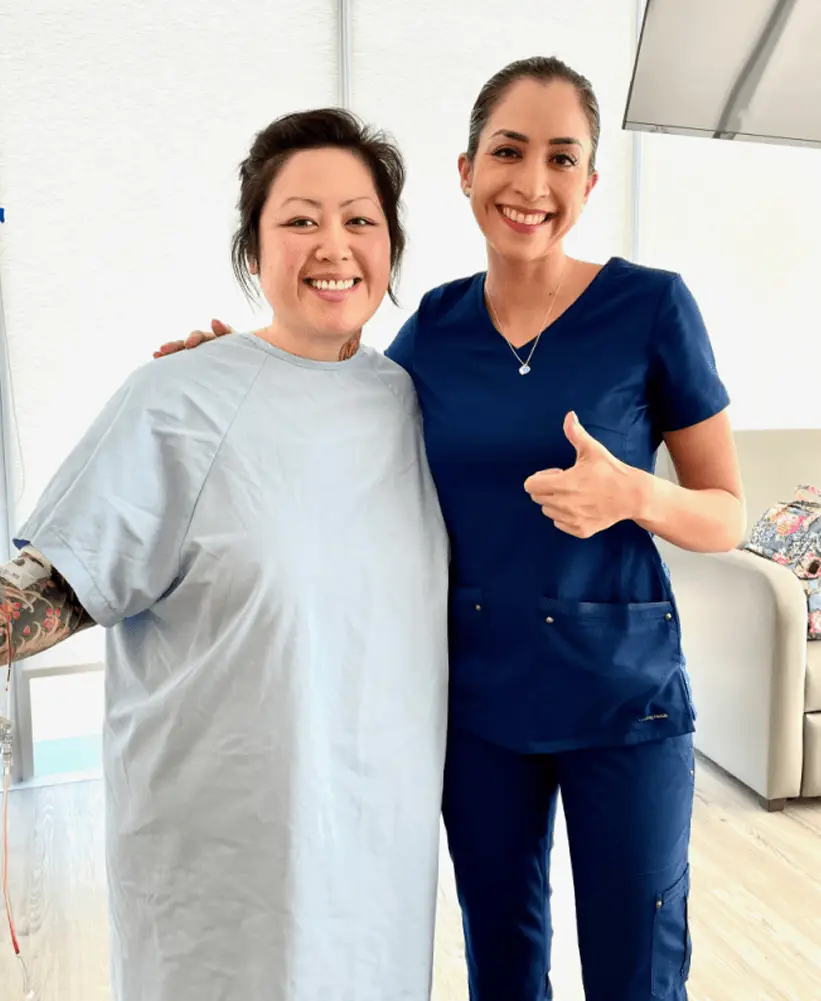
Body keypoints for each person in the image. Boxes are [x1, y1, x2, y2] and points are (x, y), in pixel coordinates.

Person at [158, 57, 745, 1001]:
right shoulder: (432, 327)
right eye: (508, 152)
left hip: (622, 705)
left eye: (563, 159)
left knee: (636, 969)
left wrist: (633, 494)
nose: (532, 183)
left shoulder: (652, 308)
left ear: (590, 183)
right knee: (501, 960)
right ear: (466, 170)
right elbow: (332, 403)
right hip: (477, 706)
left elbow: (724, 514)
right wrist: (226, 367)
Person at [1, 109, 449, 1001]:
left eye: (360, 219)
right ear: (253, 251)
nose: (334, 244)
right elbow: (56, 583)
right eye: (299, 219)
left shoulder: (421, 404)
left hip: (377, 859)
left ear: (392, 244)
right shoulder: (177, 399)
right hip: (222, 866)